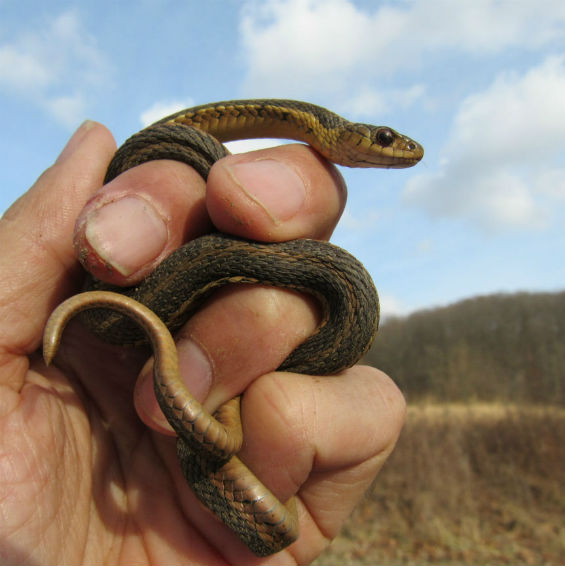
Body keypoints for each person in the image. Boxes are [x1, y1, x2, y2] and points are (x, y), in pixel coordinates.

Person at [0, 120, 406, 564]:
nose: (396, 148)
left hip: (181, 505)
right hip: (107, 363)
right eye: (386, 138)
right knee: (232, 205)